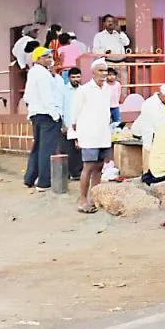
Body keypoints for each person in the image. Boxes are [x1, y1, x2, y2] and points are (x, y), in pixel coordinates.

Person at [71, 59, 112, 213]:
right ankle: (82, 200)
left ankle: (95, 198)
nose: (104, 74)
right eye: (101, 70)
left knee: (99, 166)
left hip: (103, 133)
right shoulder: (84, 90)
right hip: (88, 134)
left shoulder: (107, 89)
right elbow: (74, 114)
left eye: (105, 70)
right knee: (88, 167)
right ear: (93, 72)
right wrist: (75, 135)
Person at [22, 46, 63, 191]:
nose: (50, 59)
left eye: (50, 56)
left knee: (38, 147)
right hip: (47, 115)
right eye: (47, 57)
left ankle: (29, 178)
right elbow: (47, 98)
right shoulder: (43, 75)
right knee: (47, 148)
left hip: (35, 114)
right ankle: (44, 182)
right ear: (38, 58)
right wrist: (55, 115)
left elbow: (26, 96)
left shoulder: (33, 73)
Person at [132, 83, 165, 152]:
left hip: (160, 133)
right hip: (145, 134)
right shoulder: (149, 104)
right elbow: (148, 128)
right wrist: (148, 147)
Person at [60, 67, 84, 181]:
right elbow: (61, 108)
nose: (76, 79)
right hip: (68, 124)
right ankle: (69, 173)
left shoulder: (83, 90)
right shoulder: (64, 90)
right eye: (73, 77)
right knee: (68, 149)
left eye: (78, 77)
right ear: (69, 78)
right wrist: (63, 124)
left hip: (80, 123)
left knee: (79, 149)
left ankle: (78, 172)